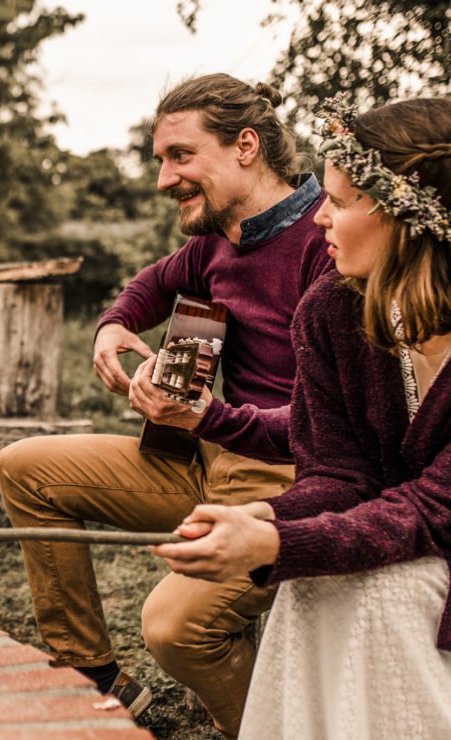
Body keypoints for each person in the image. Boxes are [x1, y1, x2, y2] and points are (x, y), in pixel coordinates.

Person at [0, 73, 332, 734]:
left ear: (245, 146)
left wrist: (208, 414)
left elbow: (331, 423)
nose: (163, 179)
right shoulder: (215, 241)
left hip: (292, 481)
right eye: (160, 160)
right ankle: (95, 677)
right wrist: (115, 325)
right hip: (203, 461)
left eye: (180, 156)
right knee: (25, 468)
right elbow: (151, 284)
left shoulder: (328, 244)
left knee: (173, 627)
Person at [152, 96, 451, 738]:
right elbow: (339, 473)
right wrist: (261, 516)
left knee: (379, 594)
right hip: (399, 530)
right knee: (311, 583)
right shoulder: (333, 310)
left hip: (436, 544)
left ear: (409, 218)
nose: (318, 218)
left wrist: (279, 542)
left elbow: (433, 507)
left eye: (340, 202)